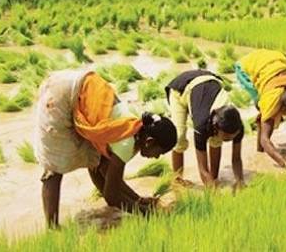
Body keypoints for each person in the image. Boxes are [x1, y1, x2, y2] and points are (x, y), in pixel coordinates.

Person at [34, 70, 177, 228]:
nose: (157, 158)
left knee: (94, 159)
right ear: (149, 142)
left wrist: (138, 200)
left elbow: (104, 175)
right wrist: (148, 214)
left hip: (74, 84)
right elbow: (111, 195)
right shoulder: (126, 143)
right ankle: (52, 228)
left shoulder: (133, 127)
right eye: (160, 152)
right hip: (59, 97)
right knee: (54, 167)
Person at [165, 70, 245, 188]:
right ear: (216, 127)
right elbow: (202, 168)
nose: (229, 139)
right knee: (179, 137)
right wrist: (213, 192)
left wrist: (240, 180)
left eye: (231, 137)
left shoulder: (237, 126)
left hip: (207, 85)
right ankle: (177, 180)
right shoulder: (202, 125)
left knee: (216, 142)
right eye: (226, 137)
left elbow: (236, 159)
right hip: (180, 90)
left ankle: (214, 176)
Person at [235, 49, 286, 167]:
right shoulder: (272, 100)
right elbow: (265, 140)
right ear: (284, 107)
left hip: (271, 61)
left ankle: (263, 147)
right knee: (263, 112)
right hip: (246, 68)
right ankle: (259, 151)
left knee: (275, 116)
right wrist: (283, 163)